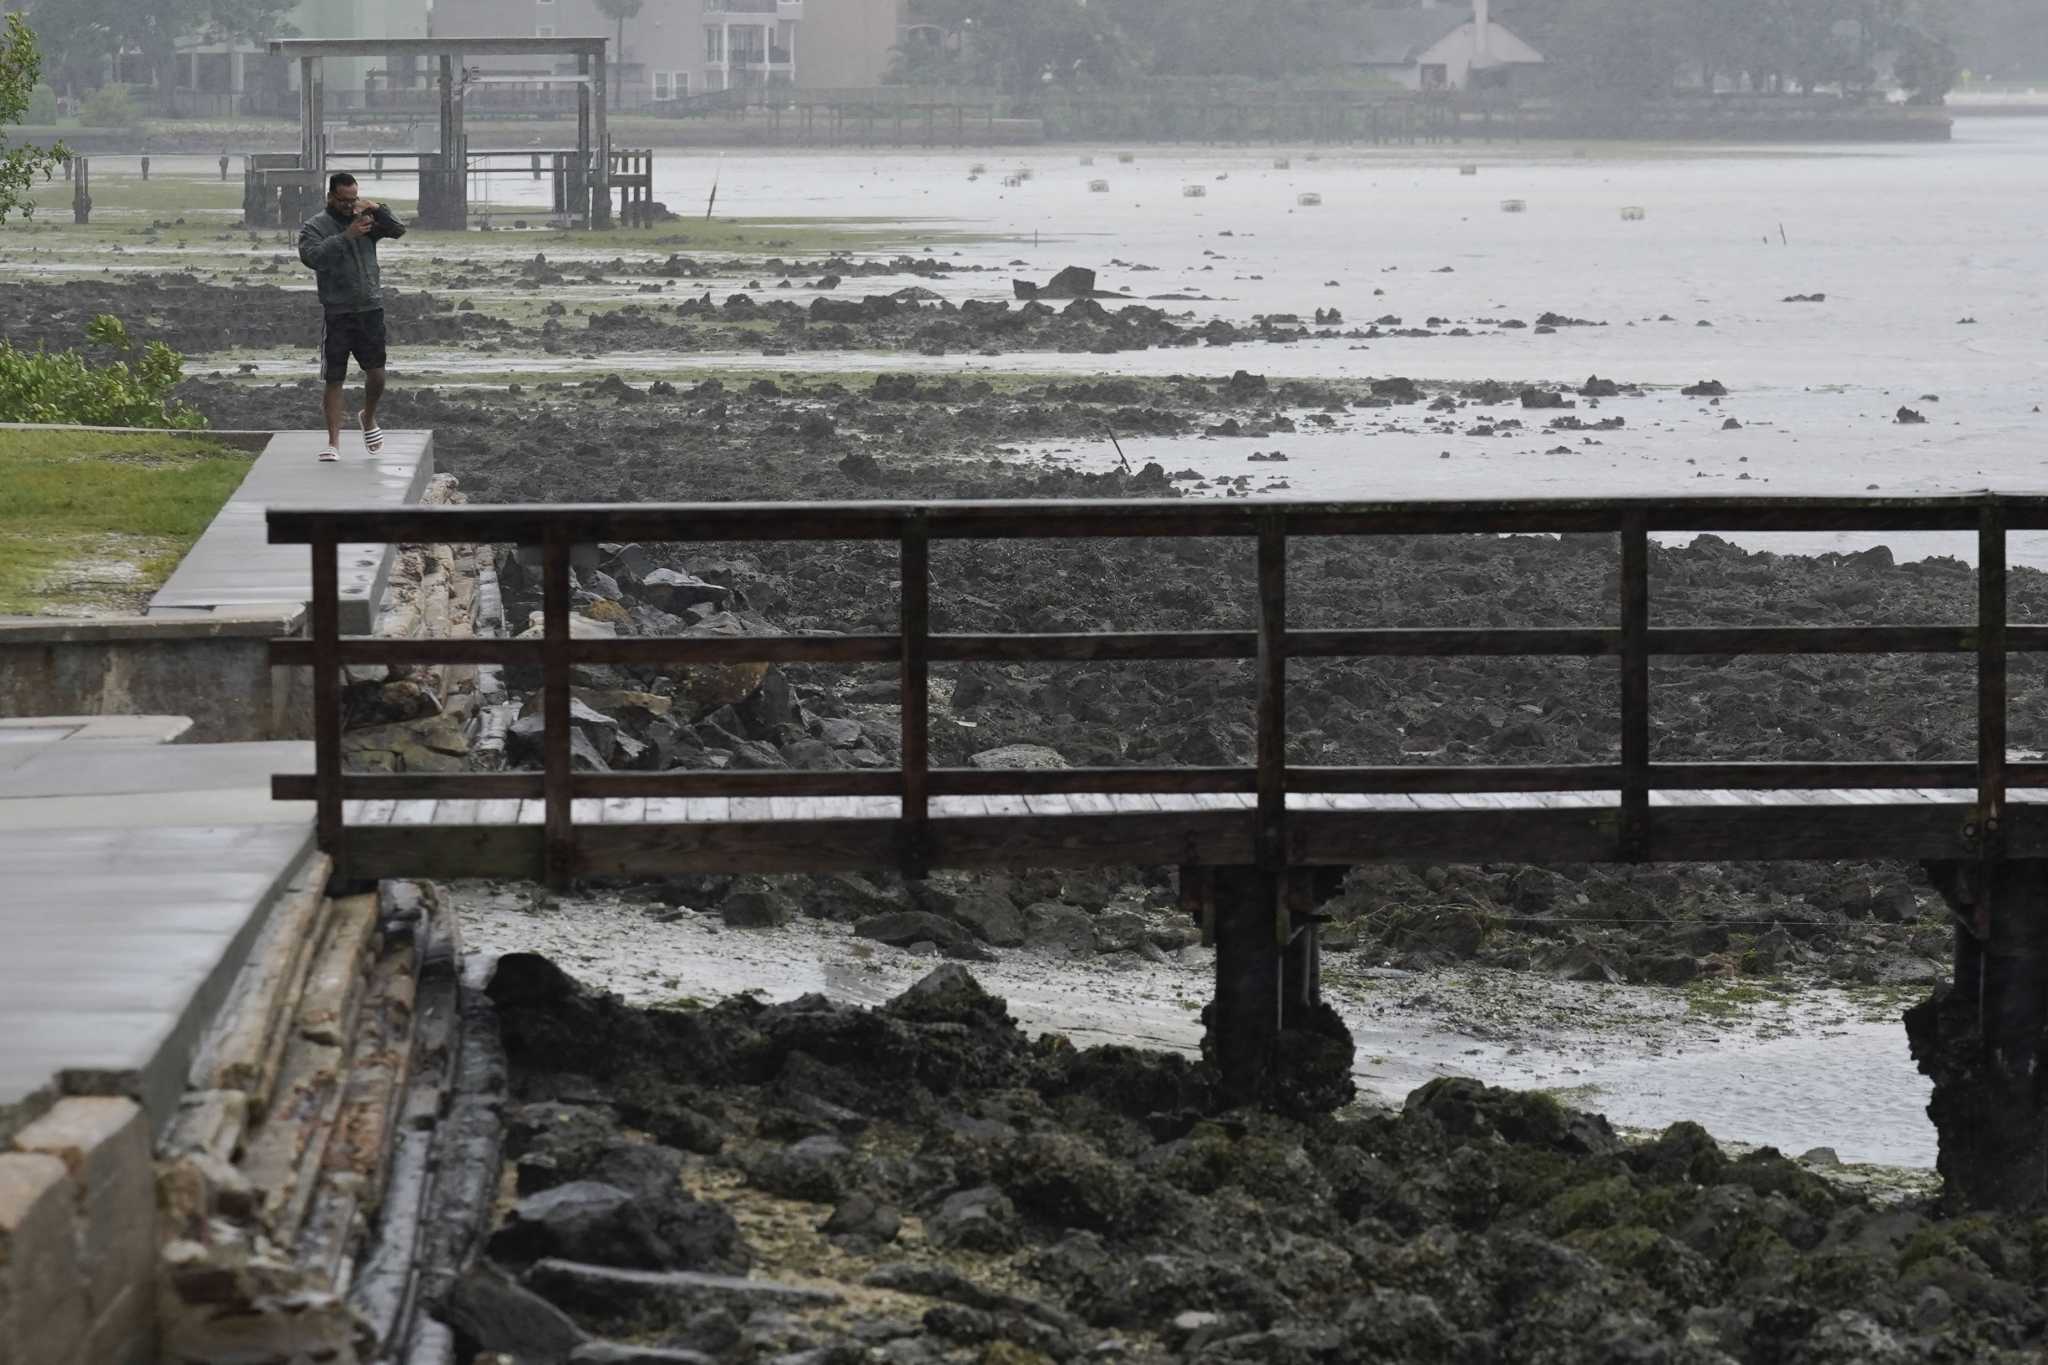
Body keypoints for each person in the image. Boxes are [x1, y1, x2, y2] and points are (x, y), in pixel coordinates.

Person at [297, 171, 406, 462]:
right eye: (344, 200)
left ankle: (368, 417)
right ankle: (333, 443)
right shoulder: (315, 226)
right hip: (337, 311)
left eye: (354, 198)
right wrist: (347, 236)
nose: (349, 205)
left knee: (378, 374)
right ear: (330, 196)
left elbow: (398, 230)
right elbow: (313, 258)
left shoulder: (368, 220)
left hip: (370, 307)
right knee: (334, 378)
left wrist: (376, 208)